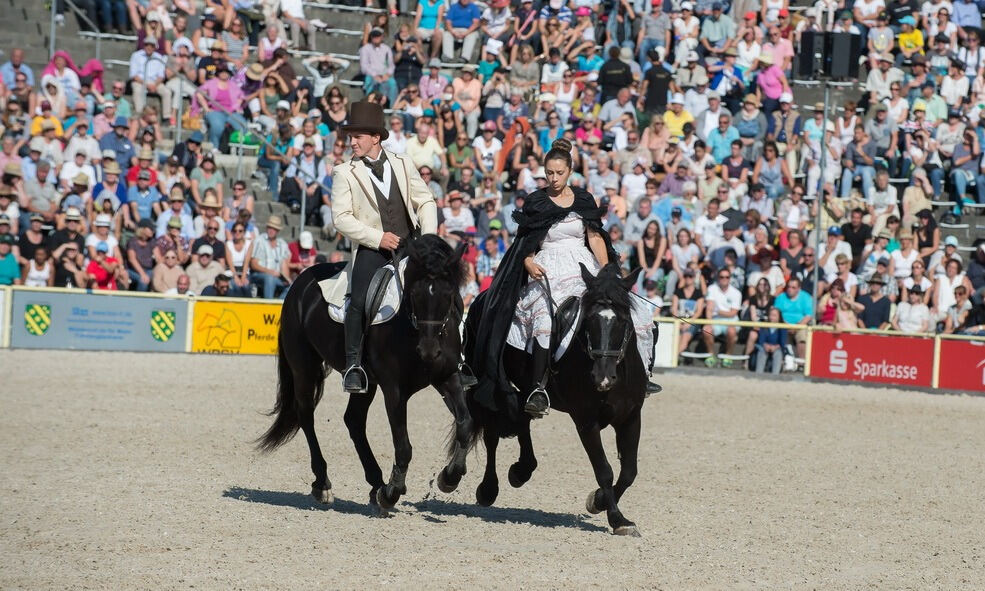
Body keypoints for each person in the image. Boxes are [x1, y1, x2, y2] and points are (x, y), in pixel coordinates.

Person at [473, 137, 660, 419]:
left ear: (570, 171)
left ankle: (642, 374)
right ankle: (538, 387)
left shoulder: (584, 198)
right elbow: (525, 241)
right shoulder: (536, 200)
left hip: (583, 264)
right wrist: (528, 262)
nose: (554, 178)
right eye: (549, 173)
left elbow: (594, 237)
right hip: (547, 265)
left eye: (559, 173)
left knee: (638, 312)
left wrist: (607, 271)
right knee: (544, 318)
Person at [330, 101, 439, 394]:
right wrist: (377, 238)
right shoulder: (344, 172)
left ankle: (458, 358)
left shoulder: (403, 162)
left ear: (375, 137)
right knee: (360, 299)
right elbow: (340, 218)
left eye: (357, 137)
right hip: (372, 249)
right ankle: (353, 365)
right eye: (350, 137)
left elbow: (425, 200)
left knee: (442, 289)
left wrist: (428, 240)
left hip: (412, 245)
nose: (351, 142)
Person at [754, 307, 787, 374]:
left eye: (774, 315)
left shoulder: (782, 327)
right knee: (761, 351)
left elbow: (782, 342)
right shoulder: (765, 325)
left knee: (778, 353)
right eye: (771, 315)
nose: (772, 317)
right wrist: (765, 345)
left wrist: (775, 347)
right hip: (765, 346)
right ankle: (758, 373)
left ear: (779, 317)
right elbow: (761, 340)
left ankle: (775, 374)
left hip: (776, 347)